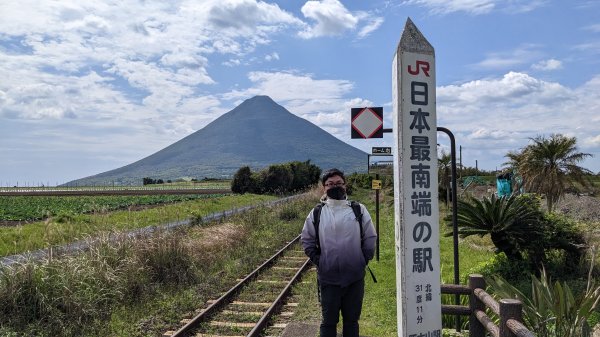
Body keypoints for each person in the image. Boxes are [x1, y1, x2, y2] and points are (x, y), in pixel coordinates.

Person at [301, 168, 377, 337]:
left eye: (338, 183)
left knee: (351, 322)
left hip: (354, 278)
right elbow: (307, 239)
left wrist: (363, 259)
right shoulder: (317, 212)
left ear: (345, 185)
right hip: (328, 278)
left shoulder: (359, 209)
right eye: (330, 184)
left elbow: (370, 237)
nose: (335, 186)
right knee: (328, 322)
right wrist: (319, 260)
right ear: (324, 188)